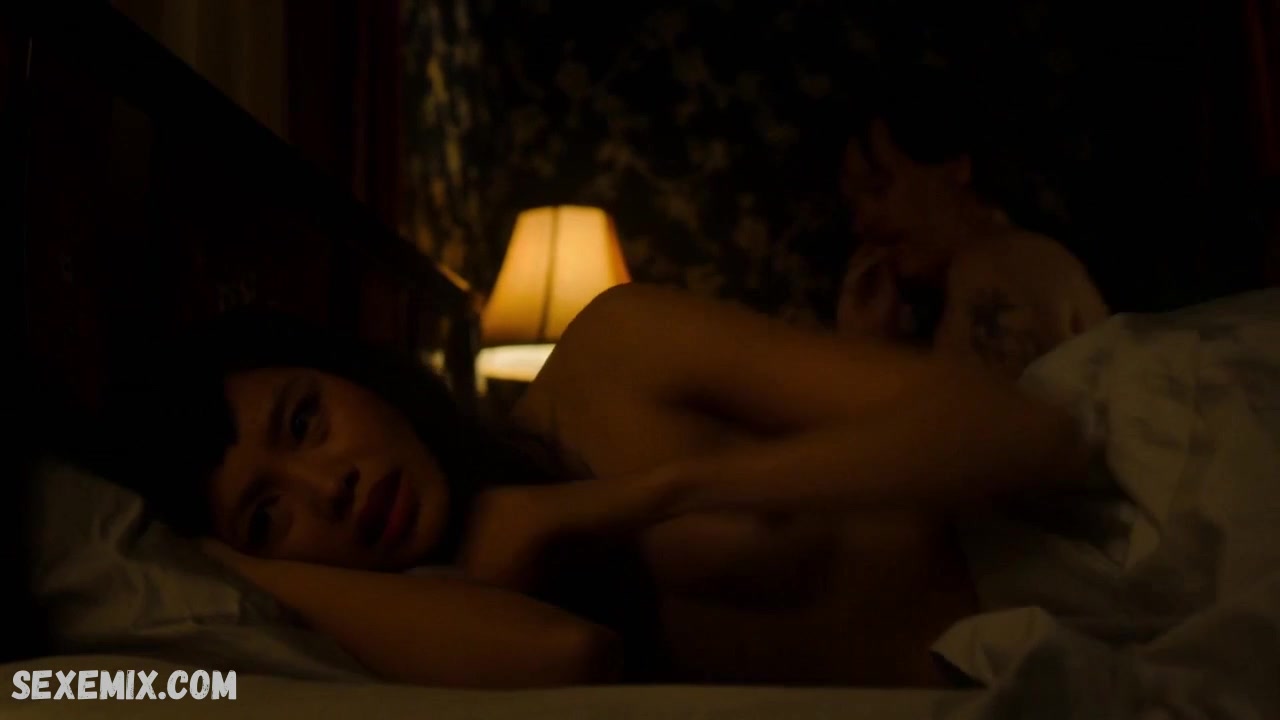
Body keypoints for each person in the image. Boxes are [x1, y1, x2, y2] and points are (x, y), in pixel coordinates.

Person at [109, 287, 1091, 690]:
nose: (332, 487)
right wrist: (226, 562)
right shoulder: (420, 627)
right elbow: (569, 655)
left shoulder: (613, 358)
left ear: (357, 375)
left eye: (305, 421)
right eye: (269, 512)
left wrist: (651, 493)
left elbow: (1025, 434)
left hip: (1090, 537)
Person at [837, 69, 1110, 376]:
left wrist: (864, 356)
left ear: (957, 167)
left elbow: (966, 408)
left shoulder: (997, 262)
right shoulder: (992, 270)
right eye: (852, 205)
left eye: (878, 188)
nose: (862, 222)